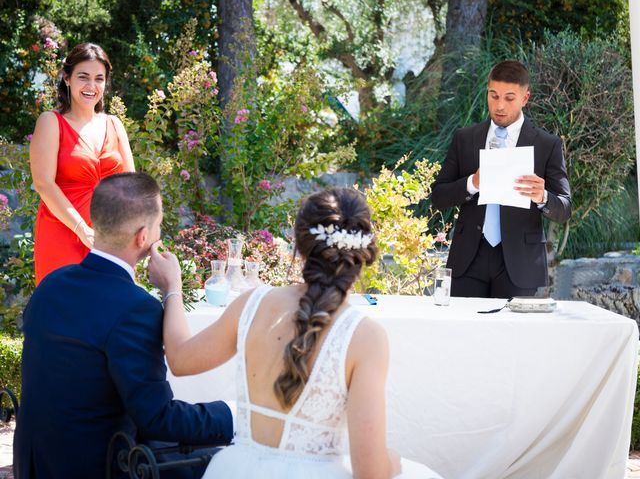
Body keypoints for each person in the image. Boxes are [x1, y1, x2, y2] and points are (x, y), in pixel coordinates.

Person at [150, 187, 443, 479]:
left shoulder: (251, 304)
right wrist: (394, 462)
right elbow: (371, 473)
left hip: (236, 469)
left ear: (298, 245)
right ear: (364, 250)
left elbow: (180, 359)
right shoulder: (365, 336)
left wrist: (172, 288)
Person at [13, 172, 233, 479]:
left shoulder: (51, 283)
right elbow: (157, 417)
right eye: (159, 225)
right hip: (96, 466)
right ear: (143, 237)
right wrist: (233, 415)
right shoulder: (136, 308)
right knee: (227, 462)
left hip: (35, 462)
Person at [431, 60, 571, 298]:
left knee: (512, 335)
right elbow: (438, 196)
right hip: (468, 258)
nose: (499, 105)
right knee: (465, 334)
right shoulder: (465, 138)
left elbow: (565, 209)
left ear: (525, 98)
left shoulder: (547, 144)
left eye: (509, 98)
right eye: (493, 96)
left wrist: (542, 197)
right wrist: (471, 183)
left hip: (520, 263)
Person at [30, 42, 135, 285]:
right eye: (83, 77)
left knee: (111, 313)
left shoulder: (114, 124)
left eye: (99, 78)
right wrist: (82, 230)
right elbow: (44, 183)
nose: (91, 86)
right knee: (65, 314)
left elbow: (132, 186)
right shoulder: (50, 122)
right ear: (67, 78)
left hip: (111, 239)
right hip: (63, 233)